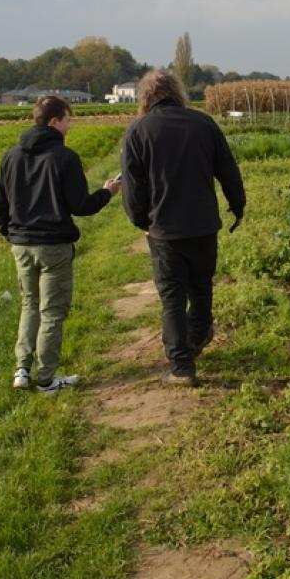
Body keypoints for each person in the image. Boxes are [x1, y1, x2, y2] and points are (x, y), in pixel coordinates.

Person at [120, 69, 246, 386]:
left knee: (172, 297)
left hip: (163, 229)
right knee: (201, 287)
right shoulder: (204, 124)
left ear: (146, 97)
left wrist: (140, 221)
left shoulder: (138, 131)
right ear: (178, 93)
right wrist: (237, 205)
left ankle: (181, 367)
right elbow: (228, 170)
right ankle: (199, 334)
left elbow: (132, 188)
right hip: (203, 225)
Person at [0, 95, 120, 394]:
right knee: (51, 312)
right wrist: (107, 192)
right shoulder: (65, 157)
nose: (69, 126)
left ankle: (22, 370)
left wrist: (12, 235)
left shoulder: (11, 156)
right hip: (54, 248)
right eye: (67, 120)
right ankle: (46, 380)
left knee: (29, 304)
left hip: (21, 246)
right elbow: (80, 206)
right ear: (54, 122)